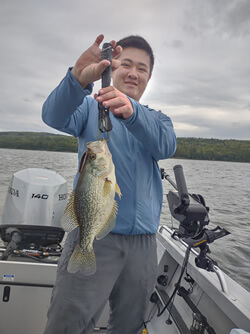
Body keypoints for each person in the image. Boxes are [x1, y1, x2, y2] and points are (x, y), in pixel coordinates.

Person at [42, 34, 177, 334]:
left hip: (143, 245)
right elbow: (52, 115)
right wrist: (76, 81)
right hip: (93, 233)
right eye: (125, 63)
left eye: (141, 68)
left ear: (149, 77)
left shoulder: (157, 120)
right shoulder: (90, 109)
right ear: (111, 68)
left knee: (129, 325)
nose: (133, 72)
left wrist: (132, 112)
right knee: (68, 323)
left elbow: (166, 145)